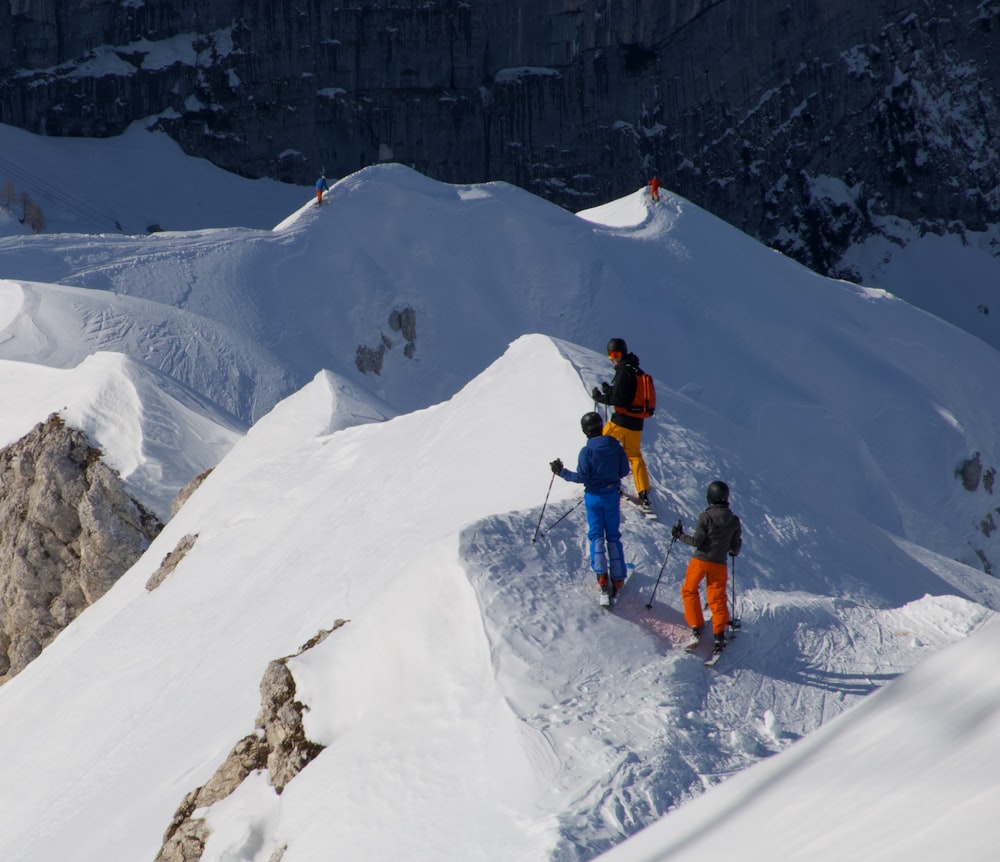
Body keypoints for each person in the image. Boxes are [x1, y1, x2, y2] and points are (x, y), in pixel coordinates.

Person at [550, 412, 631, 600]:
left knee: (596, 535)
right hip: (612, 495)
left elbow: (582, 477)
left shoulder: (586, 451)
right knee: (613, 535)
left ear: (585, 431)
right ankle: (618, 578)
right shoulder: (615, 446)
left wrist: (561, 471)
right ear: (601, 426)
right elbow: (624, 470)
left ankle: (602, 578)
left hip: (593, 498)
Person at [671, 481, 743, 656]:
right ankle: (719, 635)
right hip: (719, 564)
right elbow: (735, 549)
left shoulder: (706, 516)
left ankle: (696, 626)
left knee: (689, 590)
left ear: (709, 497)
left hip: (701, 561)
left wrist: (678, 534)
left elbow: (697, 542)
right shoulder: (734, 520)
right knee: (717, 599)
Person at [591, 337, 653, 510]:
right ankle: (643, 492)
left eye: (616, 354)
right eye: (610, 355)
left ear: (623, 353)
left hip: (622, 420)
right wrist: (609, 390)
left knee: (599, 444)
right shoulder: (635, 369)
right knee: (634, 455)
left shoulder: (624, 371)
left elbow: (619, 398)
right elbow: (626, 394)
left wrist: (600, 398)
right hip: (637, 422)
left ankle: (600, 479)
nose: (613, 358)